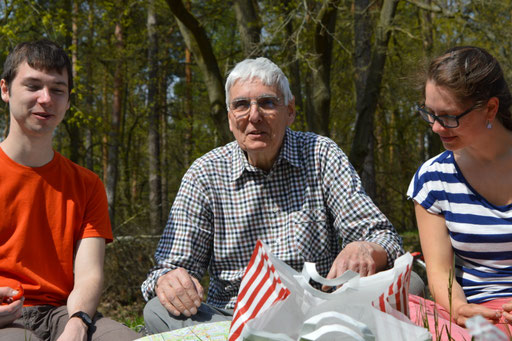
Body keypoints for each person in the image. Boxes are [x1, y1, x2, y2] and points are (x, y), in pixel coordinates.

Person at [141, 56, 406, 334]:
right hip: (232, 317)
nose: (253, 116)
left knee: (408, 284)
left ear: (289, 111)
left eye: (267, 103)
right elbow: (166, 270)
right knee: (158, 310)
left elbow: (385, 238)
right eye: (241, 105)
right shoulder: (204, 174)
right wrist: (169, 280)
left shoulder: (320, 154)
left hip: (321, 308)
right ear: (230, 118)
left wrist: (365, 248)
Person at [0, 39, 140, 340]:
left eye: (57, 90)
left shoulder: (87, 184)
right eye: (33, 85)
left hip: (64, 312)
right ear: (5, 90)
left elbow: (89, 273)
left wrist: (77, 322)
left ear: (67, 100)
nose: (46, 98)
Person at [407, 46, 512, 339]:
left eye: (450, 117)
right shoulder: (432, 180)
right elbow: (440, 273)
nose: (437, 128)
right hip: (473, 318)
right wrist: (459, 308)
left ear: (490, 108)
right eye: (430, 114)